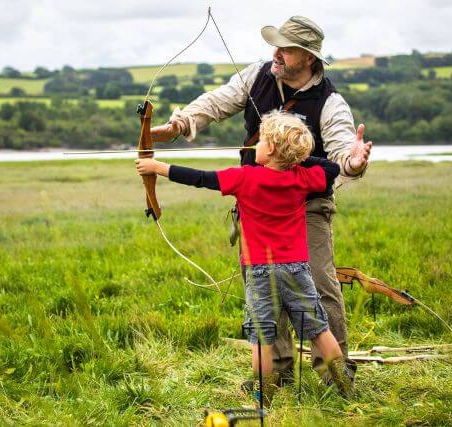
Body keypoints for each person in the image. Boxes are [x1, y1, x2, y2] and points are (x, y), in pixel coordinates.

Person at [150, 15, 372, 387]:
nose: (276, 53)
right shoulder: (259, 74)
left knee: (318, 284)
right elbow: (216, 103)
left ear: (308, 57)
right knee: (263, 287)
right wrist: (180, 123)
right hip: (256, 207)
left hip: (308, 207)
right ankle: (278, 373)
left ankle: (335, 375)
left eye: (286, 48)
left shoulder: (331, 103)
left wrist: (353, 161)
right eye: (276, 45)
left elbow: (341, 158)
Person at [137, 111, 352, 403]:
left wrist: (156, 166)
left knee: (262, 337)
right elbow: (331, 167)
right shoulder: (303, 177)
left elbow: (201, 179)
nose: (255, 146)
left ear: (272, 149)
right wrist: (296, 158)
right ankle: (344, 388)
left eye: (262, 141)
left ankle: (261, 396)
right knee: (317, 328)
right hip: (297, 269)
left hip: (260, 271)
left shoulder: (244, 178)